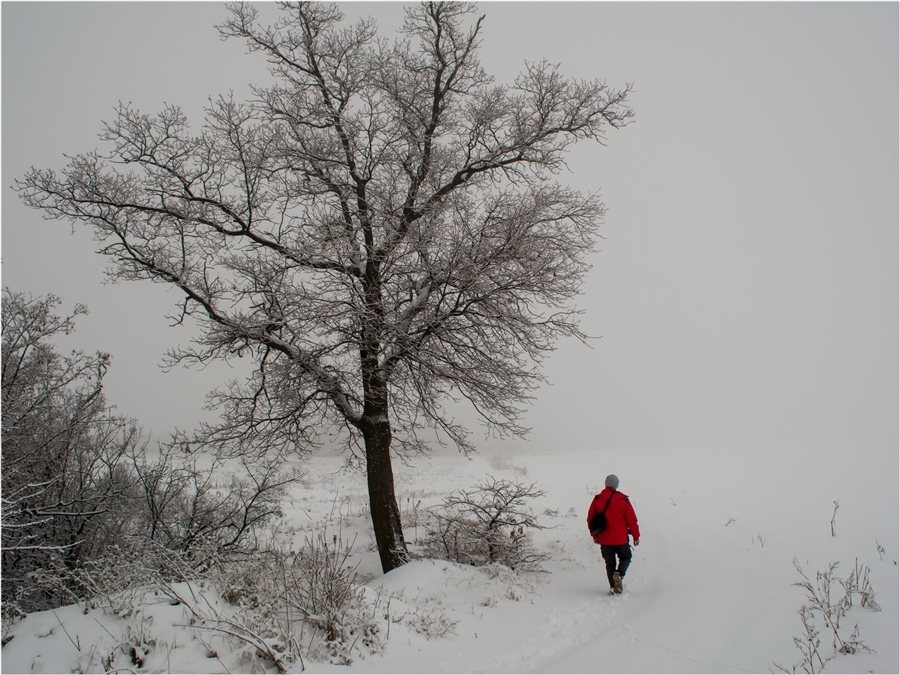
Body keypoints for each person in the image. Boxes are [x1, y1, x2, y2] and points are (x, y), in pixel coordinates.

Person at [587, 474, 640, 594]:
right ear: (616, 485)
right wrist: (636, 536)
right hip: (621, 539)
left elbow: (591, 519)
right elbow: (631, 520)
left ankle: (612, 586)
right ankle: (619, 574)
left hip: (604, 539)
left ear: (606, 484)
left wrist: (595, 536)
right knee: (626, 557)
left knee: (610, 563)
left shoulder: (597, 500)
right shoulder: (623, 500)